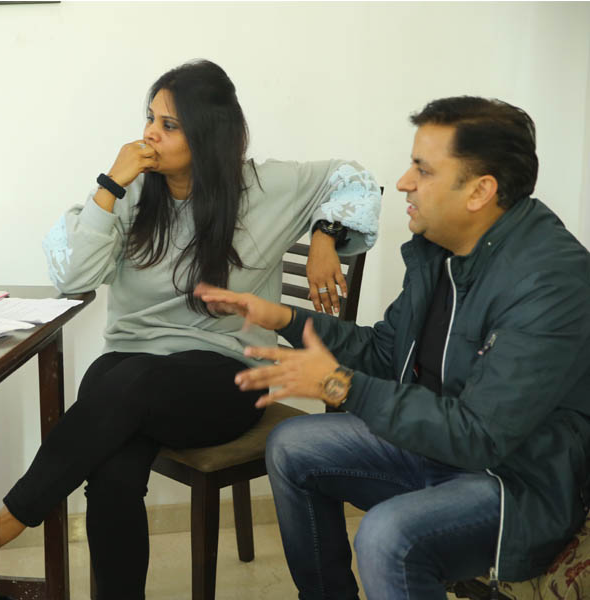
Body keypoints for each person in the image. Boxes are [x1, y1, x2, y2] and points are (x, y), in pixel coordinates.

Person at [0, 59, 382, 599]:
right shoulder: (130, 194)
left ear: (208, 134)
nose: (150, 134)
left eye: (169, 125)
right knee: (113, 462)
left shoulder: (264, 187)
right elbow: (74, 278)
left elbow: (355, 179)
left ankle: (15, 514)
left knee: (123, 390)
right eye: (149, 118)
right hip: (131, 370)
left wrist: (324, 235)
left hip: (226, 374)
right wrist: (109, 184)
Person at [195, 96, 590, 599]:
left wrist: (339, 385)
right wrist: (285, 319)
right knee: (292, 446)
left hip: (514, 483)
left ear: (480, 191)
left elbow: (481, 436)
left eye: (422, 170)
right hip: (436, 448)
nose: (403, 182)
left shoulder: (551, 282)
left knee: (387, 537)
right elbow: (385, 352)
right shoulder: (441, 253)